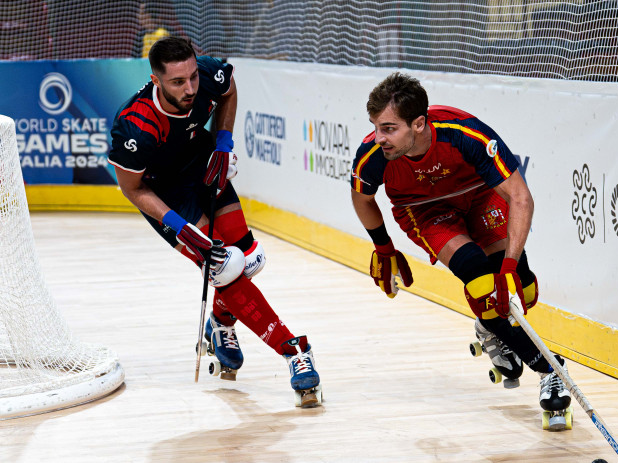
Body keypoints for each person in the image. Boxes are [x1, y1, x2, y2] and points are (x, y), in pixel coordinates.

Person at [349, 72, 571, 429]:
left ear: (419, 123)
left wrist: (513, 265)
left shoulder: (466, 134)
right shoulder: (374, 154)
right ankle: (549, 368)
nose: (379, 138)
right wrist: (384, 247)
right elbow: (362, 198)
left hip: (480, 196)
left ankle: (490, 326)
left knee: (514, 279)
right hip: (425, 211)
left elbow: (520, 197)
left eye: (389, 128)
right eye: (376, 127)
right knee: (481, 281)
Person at [108, 36, 321, 407]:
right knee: (227, 270)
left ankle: (220, 324)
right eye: (178, 82)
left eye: (192, 77)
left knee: (249, 258)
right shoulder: (134, 129)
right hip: (167, 196)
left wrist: (223, 142)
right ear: (156, 81)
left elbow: (228, 89)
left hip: (204, 164)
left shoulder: (205, 74)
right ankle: (294, 350)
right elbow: (131, 188)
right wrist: (178, 225)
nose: (190, 88)